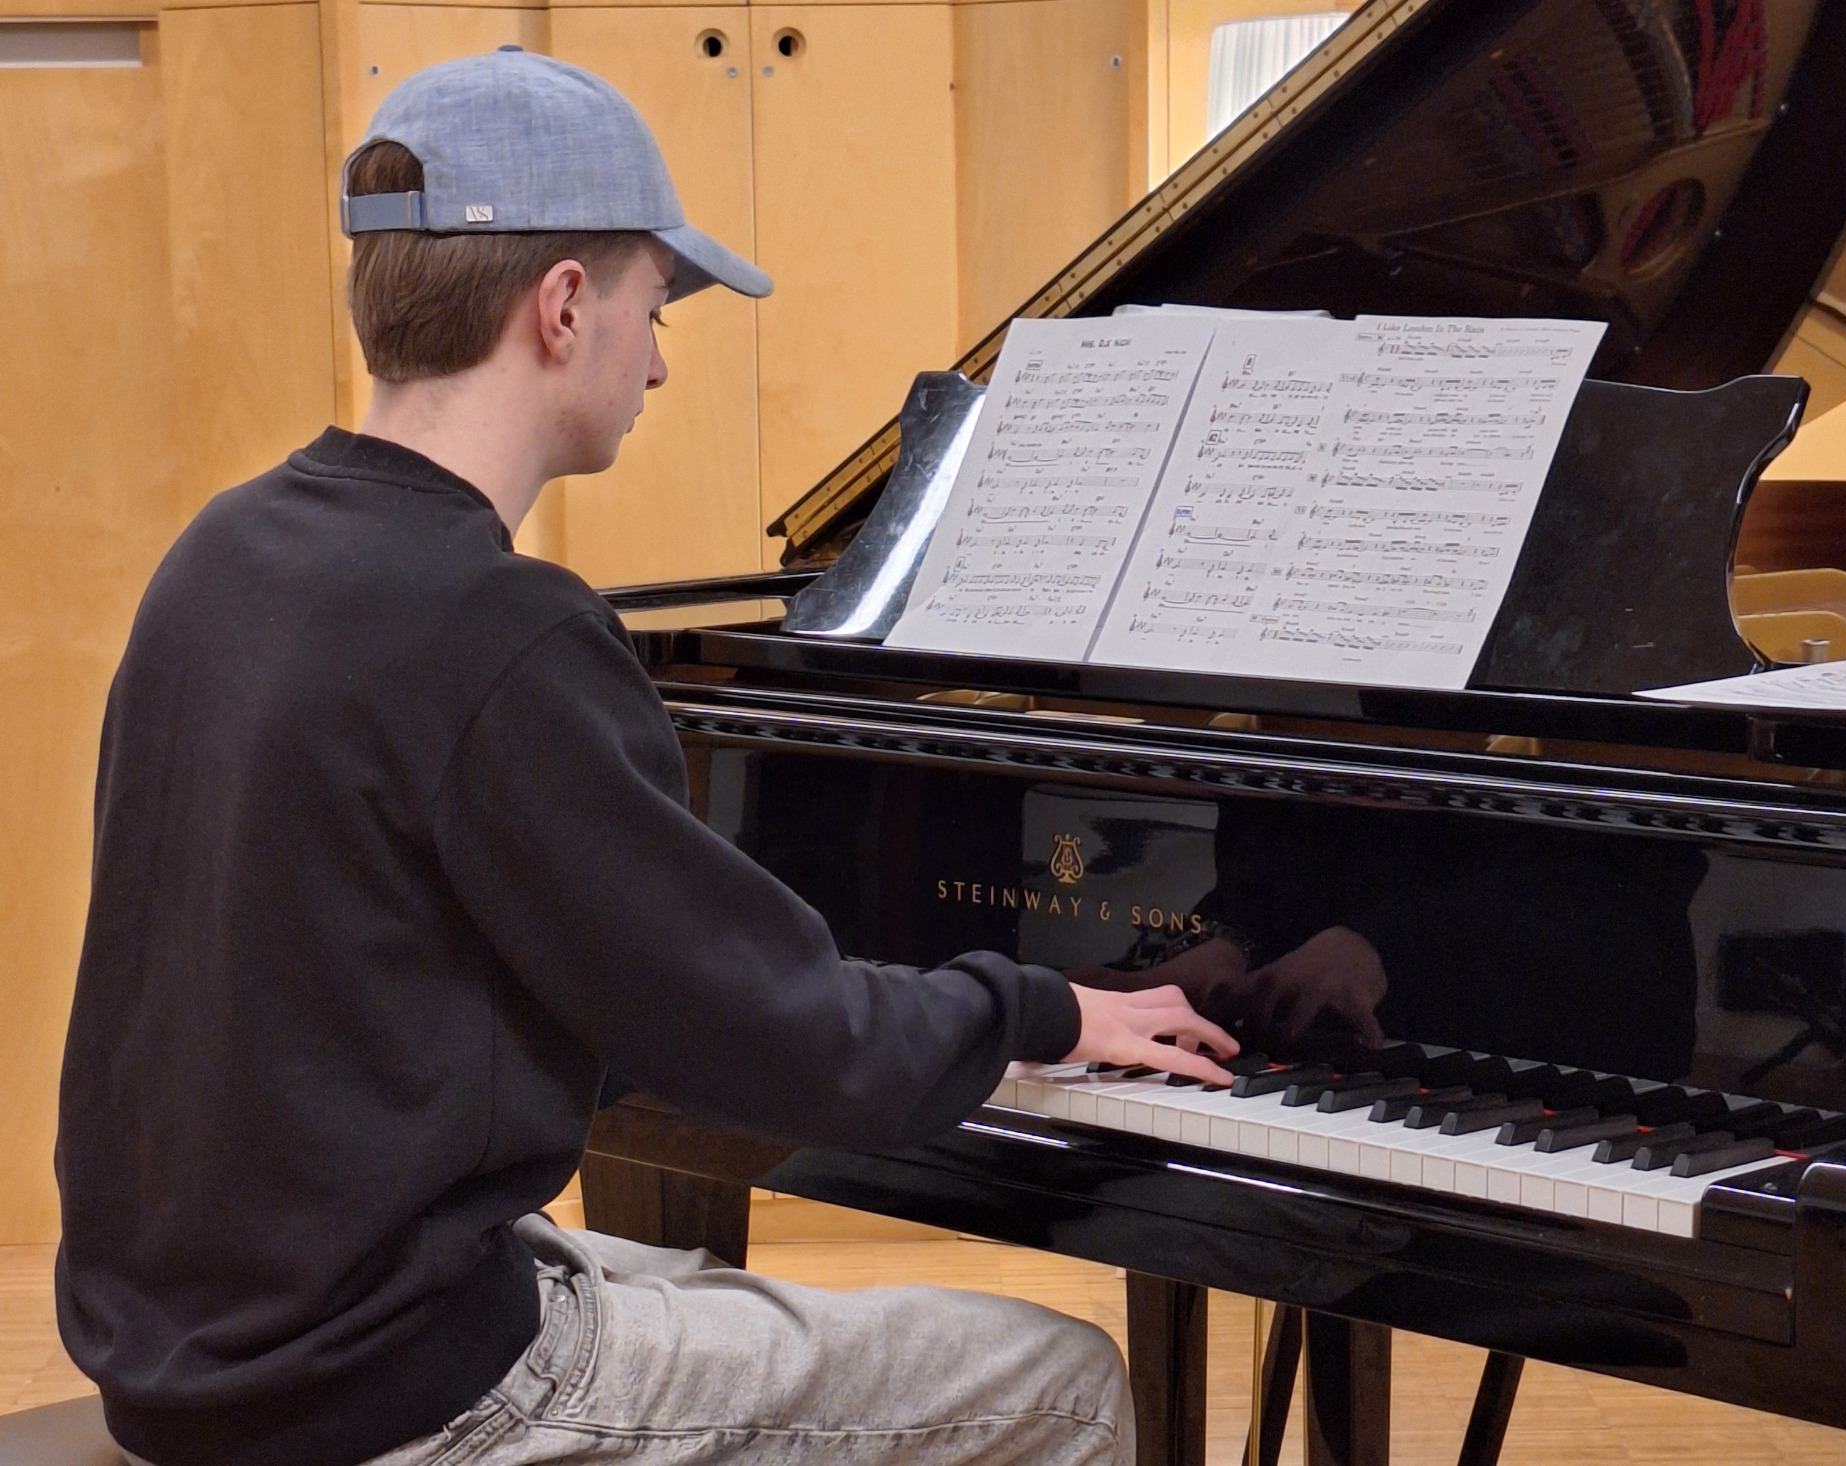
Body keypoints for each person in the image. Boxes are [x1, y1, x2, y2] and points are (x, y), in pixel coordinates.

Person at [54, 50, 1238, 1466]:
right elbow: (776, 1028)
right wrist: (1035, 1008)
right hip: (390, 1388)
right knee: (1065, 1381)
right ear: (563, 307)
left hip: (193, 1347)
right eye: (654, 305)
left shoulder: (223, 553)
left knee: (677, 1282)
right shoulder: (499, 629)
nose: (661, 359)